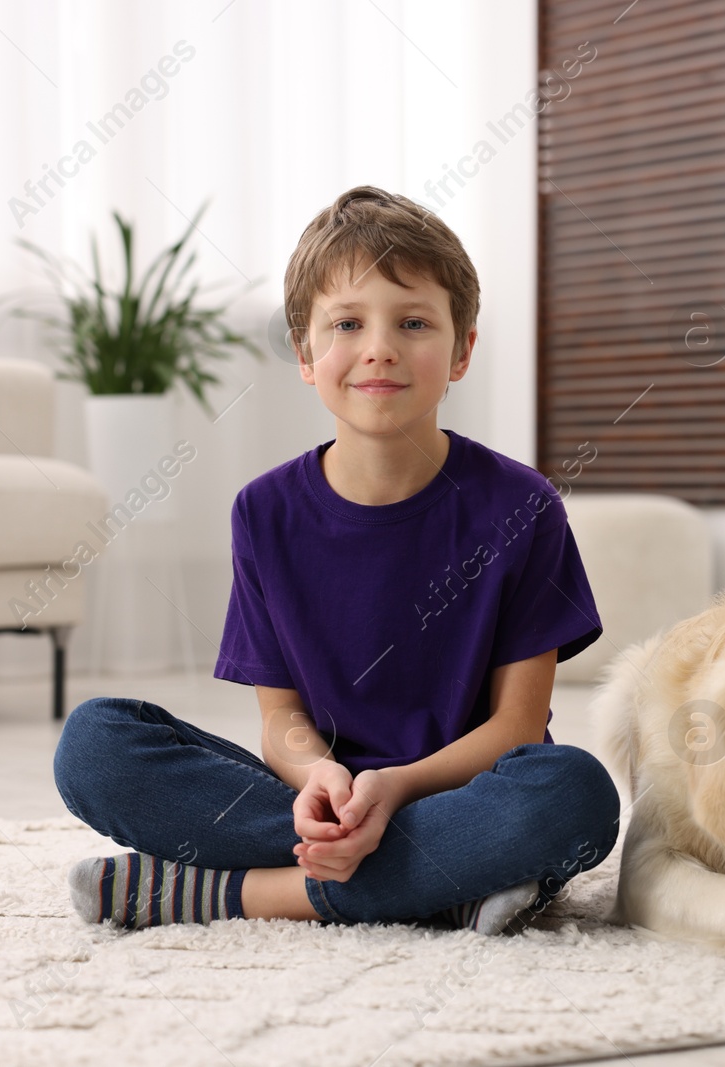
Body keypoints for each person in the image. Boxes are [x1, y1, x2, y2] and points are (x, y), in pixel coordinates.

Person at [53, 185, 620, 936]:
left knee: (576, 793)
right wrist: (320, 779)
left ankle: (231, 893)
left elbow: (517, 727)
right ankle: (444, 887)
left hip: (468, 791)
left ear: (462, 350)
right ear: (306, 354)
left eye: (413, 322)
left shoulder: (524, 506)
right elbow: (281, 718)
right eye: (347, 323)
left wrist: (397, 787)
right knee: (95, 743)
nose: (379, 346)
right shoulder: (263, 511)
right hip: (314, 799)